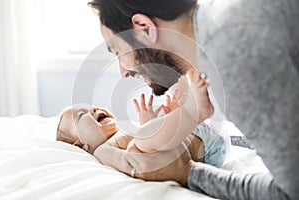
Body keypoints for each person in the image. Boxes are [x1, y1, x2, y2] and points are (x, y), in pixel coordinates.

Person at [87, 0, 299, 199]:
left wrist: (187, 173)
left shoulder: (230, 52)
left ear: (144, 27)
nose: (123, 71)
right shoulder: (223, 22)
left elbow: (291, 192)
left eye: (117, 51)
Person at [57, 69, 226, 168]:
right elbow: (131, 162)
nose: (94, 108)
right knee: (141, 143)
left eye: (91, 106)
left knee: (150, 129)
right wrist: (147, 132)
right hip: (200, 151)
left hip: (198, 136)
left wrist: (156, 122)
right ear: (81, 145)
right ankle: (191, 112)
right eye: (82, 114)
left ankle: (185, 112)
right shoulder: (102, 151)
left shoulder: (123, 129)